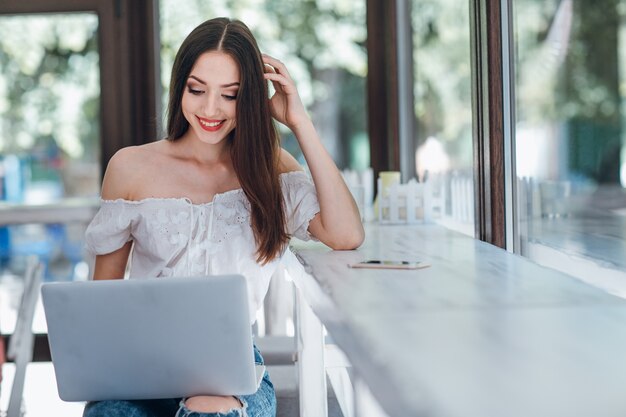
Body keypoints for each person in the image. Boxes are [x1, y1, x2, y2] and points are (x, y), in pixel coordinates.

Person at [82, 17, 364, 417]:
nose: (210, 109)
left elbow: (345, 233)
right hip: (141, 355)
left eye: (230, 95)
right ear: (180, 86)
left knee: (210, 410)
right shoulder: (130, 168)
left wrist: (300, 123)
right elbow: (102, 299)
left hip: (231, 365)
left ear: (249, 99)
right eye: (197, 90)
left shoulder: (271, 169)